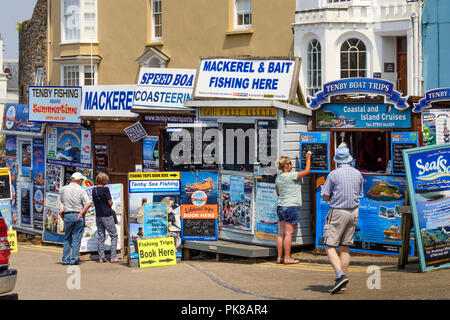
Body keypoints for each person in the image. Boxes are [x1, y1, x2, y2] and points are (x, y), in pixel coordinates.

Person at [321, 146, 364, 294]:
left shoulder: (333, 174)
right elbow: (360, 193)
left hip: (338, 212)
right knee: (345, 247)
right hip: (353, 212)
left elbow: (325, 196)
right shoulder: (358, 173)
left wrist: (332, 196)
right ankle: (343, 282)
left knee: (329, 245)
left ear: (337, 160)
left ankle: (340, 276)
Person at [275, 153, 311, 264]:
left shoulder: (278, 177)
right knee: (289, 234)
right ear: (286, 165)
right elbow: (307, 171)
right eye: (290, 163)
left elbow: (278, 193)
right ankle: (287, 258)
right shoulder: (291, 175)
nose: (291, 165)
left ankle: (279, 257)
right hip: (291, 206)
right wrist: (308, 158)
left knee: (281, 233)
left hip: (281, 206)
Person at [59, 172, 92, 265]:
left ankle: (65, 260)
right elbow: (88, 203)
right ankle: (73, 260)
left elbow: (61, 200)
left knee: (67, 238)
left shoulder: (64, 189)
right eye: (81, 180)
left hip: (68, 215)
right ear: (79, 180)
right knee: (77, 238)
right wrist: (82, 212)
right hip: (78, 215)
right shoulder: (81, 190)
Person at [92, 172, 121, 263]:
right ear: (105, 180)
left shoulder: (94, 190)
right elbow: (110, 202)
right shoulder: (106, 189)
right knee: (114, 235)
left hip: (98, 216)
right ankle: (113, 257)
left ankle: (101, 257)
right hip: (107, 215)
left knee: (101, 236)